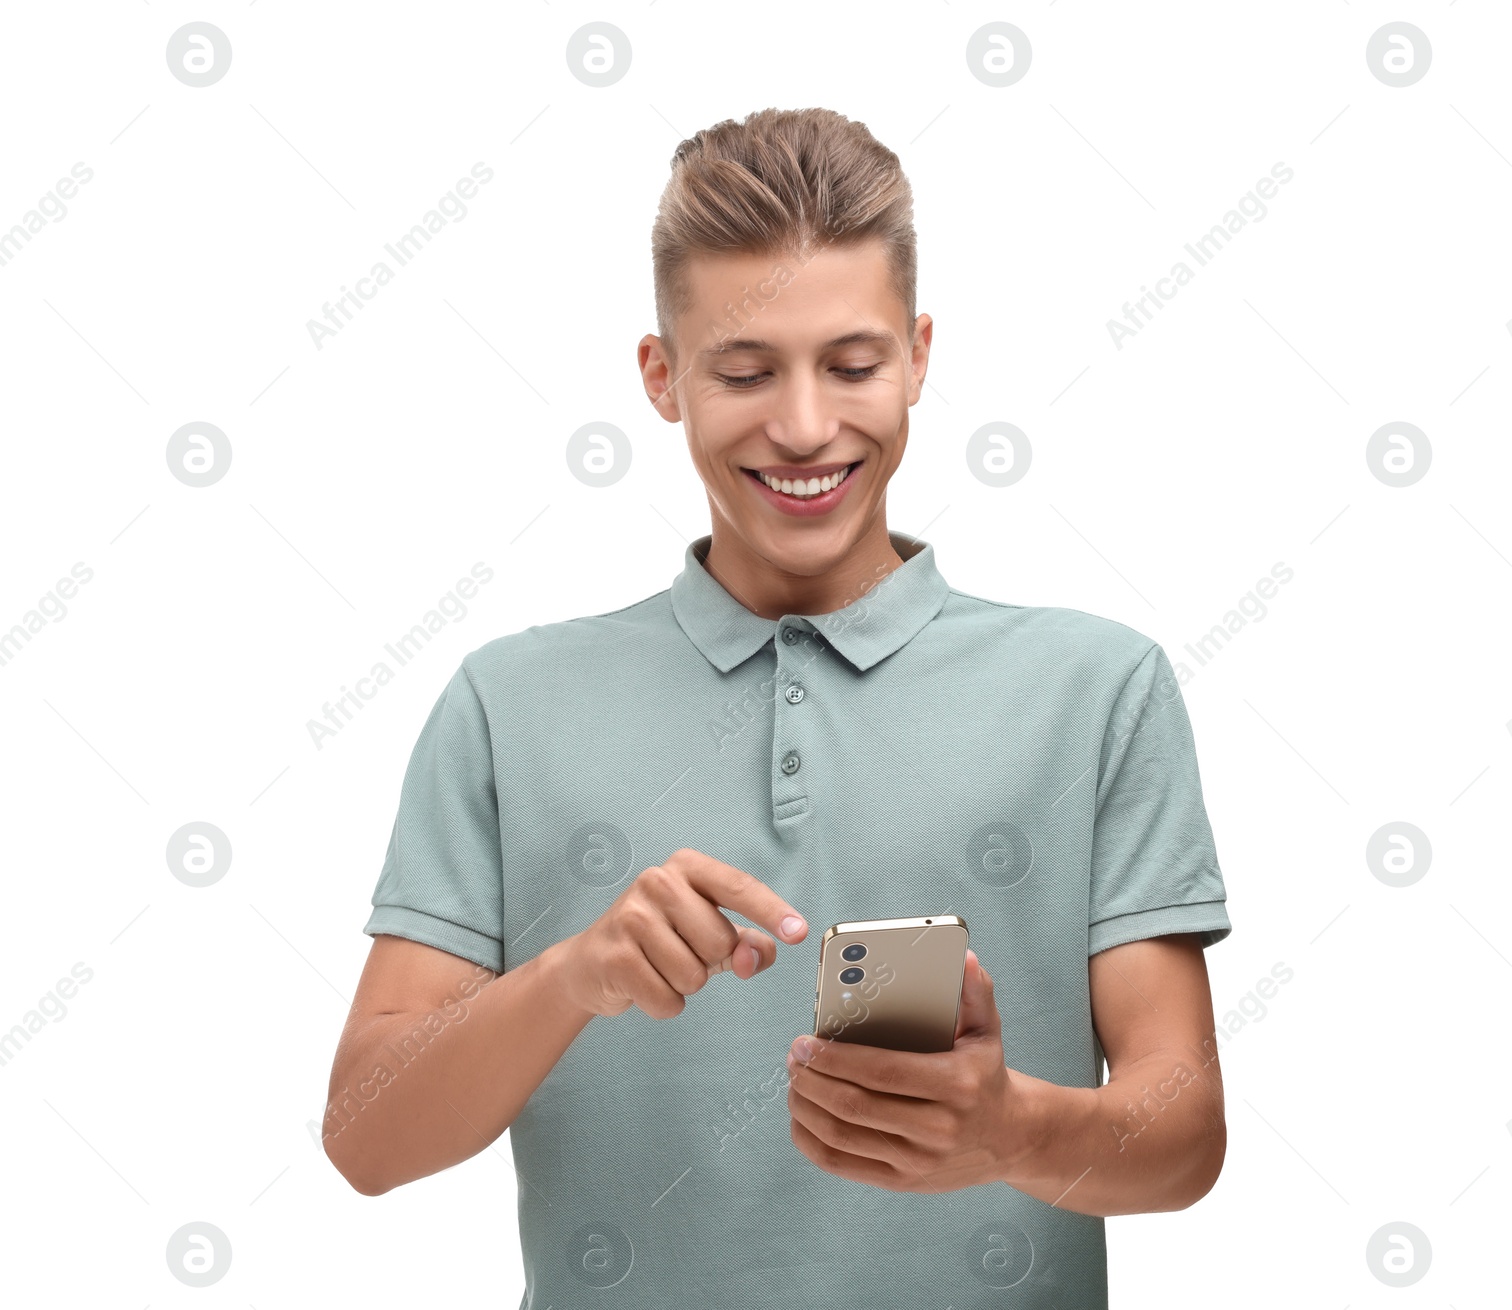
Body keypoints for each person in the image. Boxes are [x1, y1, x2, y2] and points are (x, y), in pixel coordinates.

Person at [322, 106, 1232, 1309]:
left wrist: (1011, 1127)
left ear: (916, 355)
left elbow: (1186, 1136)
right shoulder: (509, 702)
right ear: (662, 377)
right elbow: (366, 1138)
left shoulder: (1096, 687)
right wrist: (575, 975)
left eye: (852, 366)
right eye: (745, 371)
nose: (805, 426)